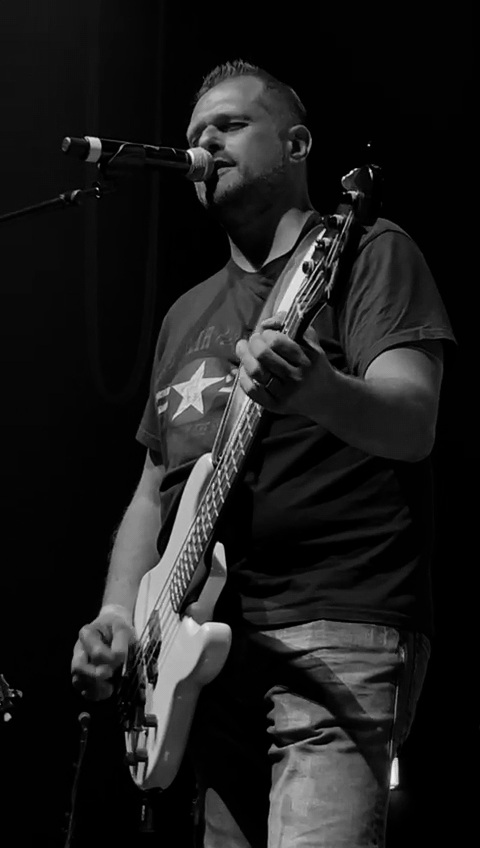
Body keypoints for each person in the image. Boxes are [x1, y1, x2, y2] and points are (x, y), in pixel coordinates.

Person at [71, 59, 456, 847]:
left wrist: (321, 391)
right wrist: (120, 613)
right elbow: (154, 487)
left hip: (335, 622)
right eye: (195, 133)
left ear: (297, 145)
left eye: (231, 125)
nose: (205, 143)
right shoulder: (185, 313)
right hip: (209, 655)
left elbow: (414, 421)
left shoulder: (367, 251)